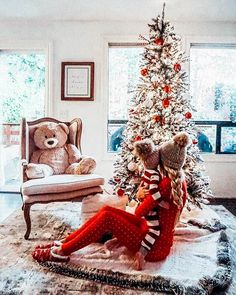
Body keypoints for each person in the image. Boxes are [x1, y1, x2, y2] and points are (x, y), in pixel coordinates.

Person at [32, 132, 189, 270]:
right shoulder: (178, 181)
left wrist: (142, 196)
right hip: (153, 233)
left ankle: (61, 252)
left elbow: (140, 212)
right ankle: (64, 243)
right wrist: (145, 195)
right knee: (107, 211)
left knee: (108, 218)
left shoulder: (165, 184)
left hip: (153, 246)